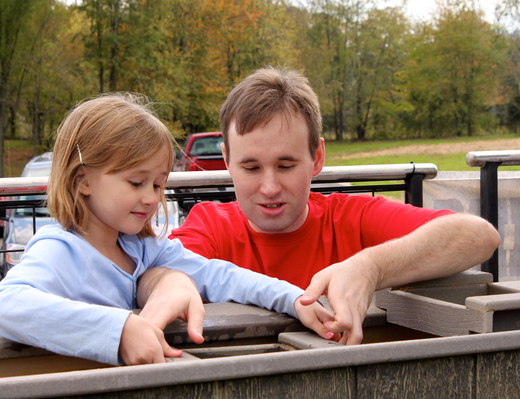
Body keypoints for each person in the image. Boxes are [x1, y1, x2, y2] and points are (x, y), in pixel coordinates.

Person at [138, 67, 501, 345]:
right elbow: (150, 274)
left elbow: (478, 235)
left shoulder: (352, 216)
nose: (269, 187)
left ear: (317, 157)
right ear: (227, 161)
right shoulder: (210, 224)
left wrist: (370, 267)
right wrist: (166, 282)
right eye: (250, 167)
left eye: (286, 165)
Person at [0, 92, 336, 366]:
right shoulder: (59, 249)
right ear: (83, 180)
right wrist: (118, 331)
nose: (150, 198)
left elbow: (221, 275)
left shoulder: (145, 249)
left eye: (158, 185)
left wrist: (293, 298)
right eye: (136, 182)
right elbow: (10, 304)